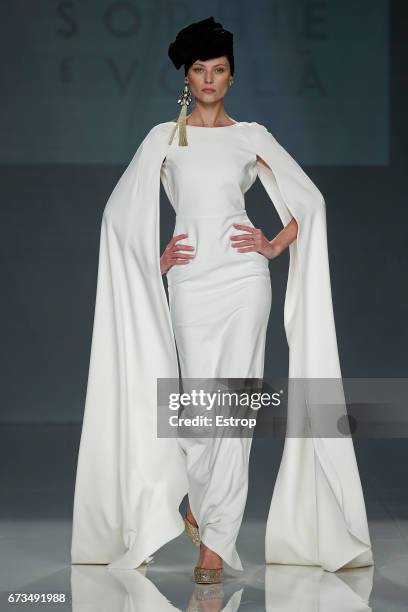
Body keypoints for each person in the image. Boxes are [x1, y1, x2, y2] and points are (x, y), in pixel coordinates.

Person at [71, 16, 374, 586]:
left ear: (231, 77)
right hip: (189, 284)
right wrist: (149, 262)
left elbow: (308, 204)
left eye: (219, 70)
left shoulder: (251, 137)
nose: (210, 79)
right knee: (195, 407)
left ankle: (216, 542)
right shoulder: (164, 137)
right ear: (188, 78)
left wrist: (269, 245)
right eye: (200, 71)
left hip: (242, 282)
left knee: (232, 410)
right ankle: (192, 503)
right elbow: (118, 214)